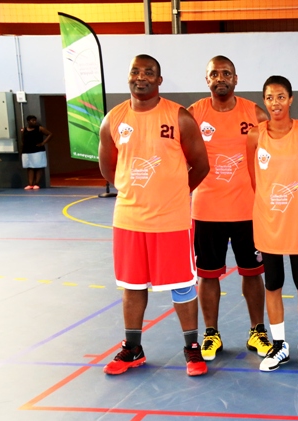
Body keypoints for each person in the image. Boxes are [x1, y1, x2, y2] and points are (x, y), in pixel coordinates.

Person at [98, 54, 210, 376]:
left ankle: (192, 348)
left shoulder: (179, 117)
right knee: (132, 285)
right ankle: (133, 348)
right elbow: (108, 168)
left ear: (159, 80)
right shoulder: (113, 119)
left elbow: (201, 165)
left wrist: (176, 195)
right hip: (129, 219)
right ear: (128, 77)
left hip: (171, 220)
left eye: (148, 72)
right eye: (135, 71)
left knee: (182, 285)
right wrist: (131, 190)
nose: (141, 77)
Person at [188, 56, 271, 362]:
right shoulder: (194, 113)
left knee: (253, 273)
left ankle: (257, 331)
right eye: (214, 74)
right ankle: (211, 333)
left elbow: (273, 154)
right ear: (206, 79)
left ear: (235, 79)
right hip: (206, 210)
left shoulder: (254, 112)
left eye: (226, 73)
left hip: (248, 210)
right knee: (207, 275)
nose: (220, 78)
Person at [246, 75, 298, 373]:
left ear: (291, 99)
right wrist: (273, 203)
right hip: (269, 220)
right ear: (264, 101)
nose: (275, 103)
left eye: (280, 97)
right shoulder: (255, 136)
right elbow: (255, 180)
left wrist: (293, 201)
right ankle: (279, 345)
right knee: (273, 282)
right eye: (269, 97)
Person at [20, 115, 52, 190]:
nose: (34, 122)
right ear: (28, 121)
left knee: (38, 167)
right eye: (32, 120)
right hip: (27, 150)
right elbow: (23, 140)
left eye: (35, 120)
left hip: (38, 150)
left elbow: (50, 134)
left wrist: (43, 143)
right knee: (29, 167)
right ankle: (30, 184)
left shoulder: (40, 128)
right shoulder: (24, 130)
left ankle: (37, 183)